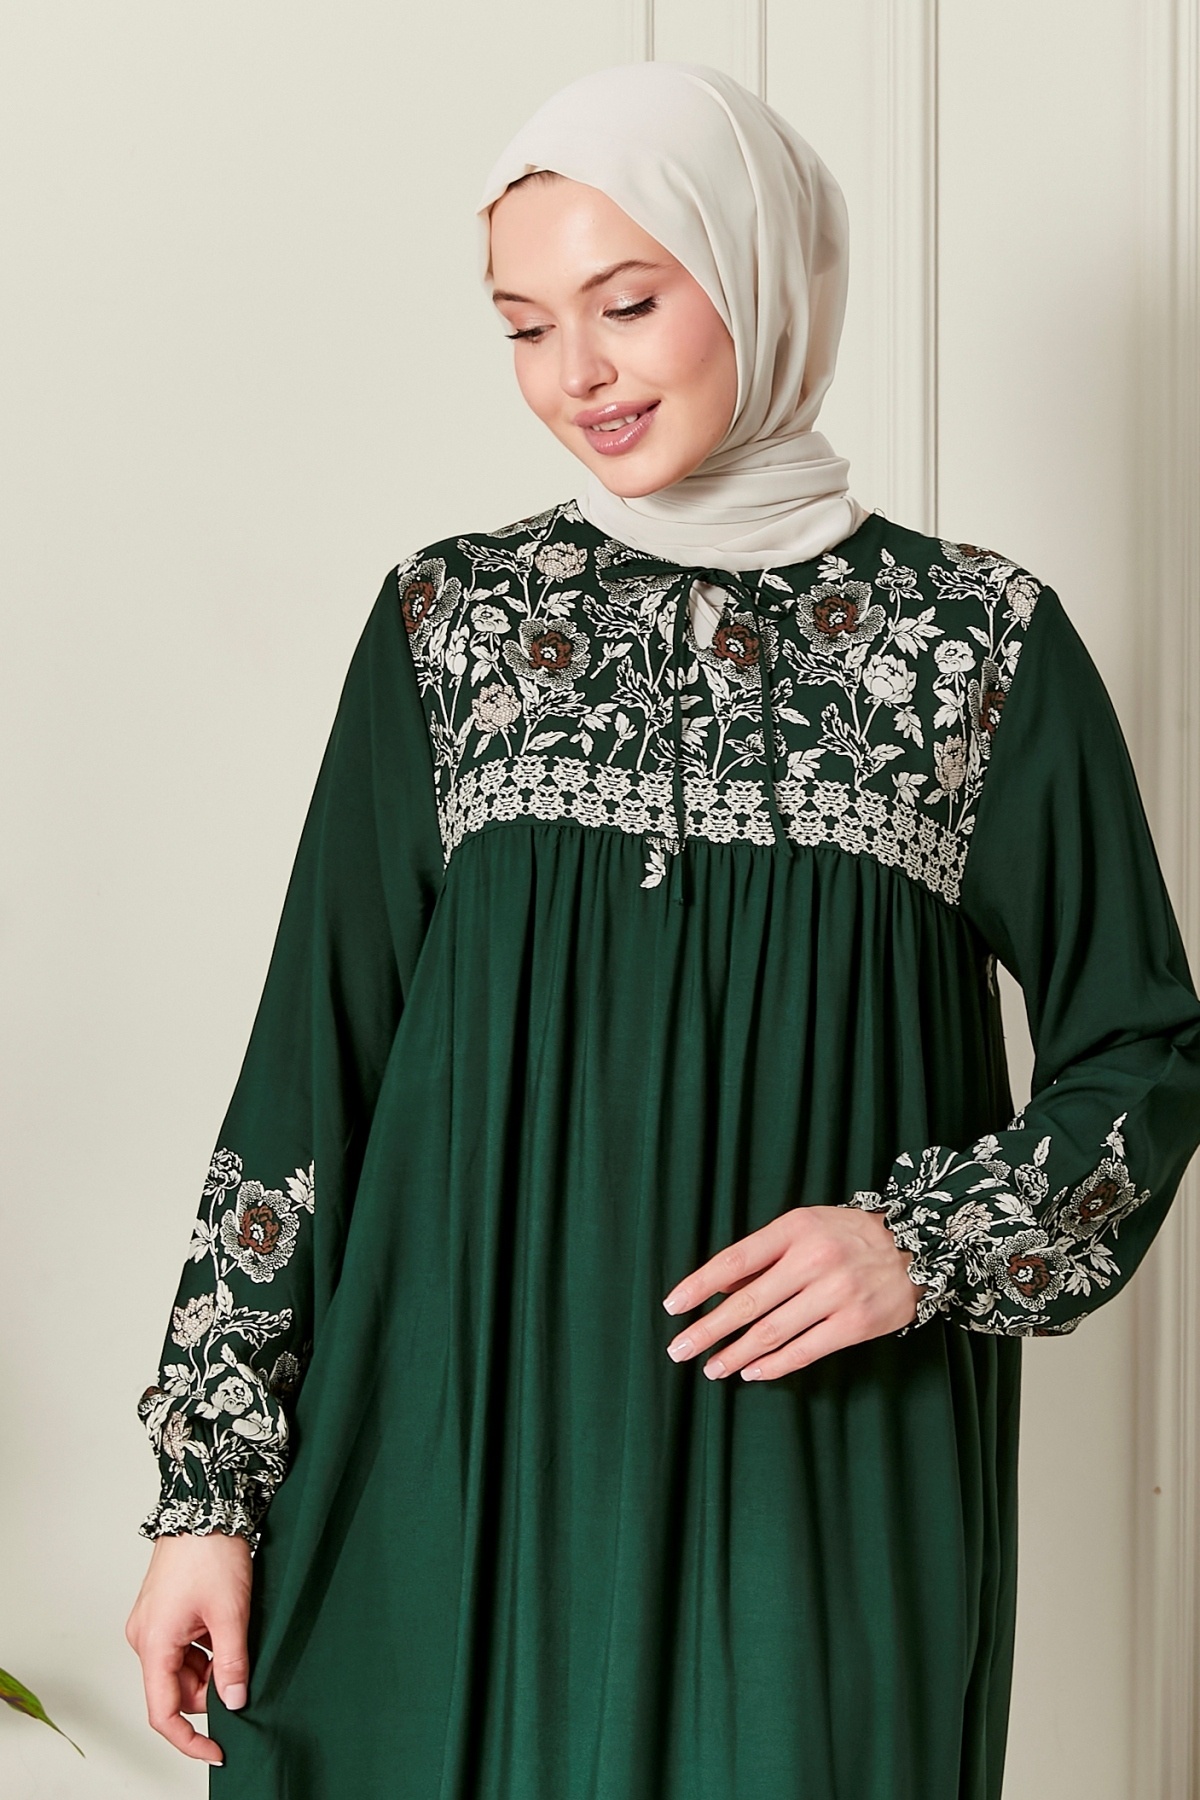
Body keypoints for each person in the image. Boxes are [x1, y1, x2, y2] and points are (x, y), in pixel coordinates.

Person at [125, 59, 1200, 1800]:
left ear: (759, 278)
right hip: (442, 1468)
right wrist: (206, 1496)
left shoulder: (975, 646)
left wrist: (921, 1243)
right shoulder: (451, 626)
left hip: (817, 1491)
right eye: (524, 326)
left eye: (626, 303)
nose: (579, 374)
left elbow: (1141, 1051)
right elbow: (309, 1081)